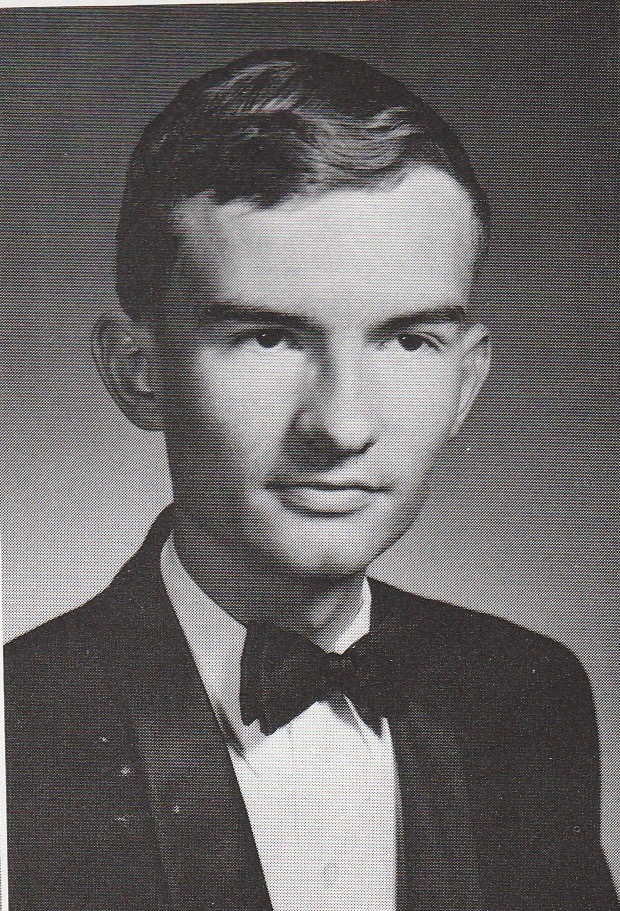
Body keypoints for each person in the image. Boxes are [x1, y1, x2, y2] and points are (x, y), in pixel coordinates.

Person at [4, 48, 617, 911]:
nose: (341, 424)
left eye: (408, 340)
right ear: (140, 371)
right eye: (268, 337)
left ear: (465, 383)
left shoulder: (526, 693)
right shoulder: (20, 720)